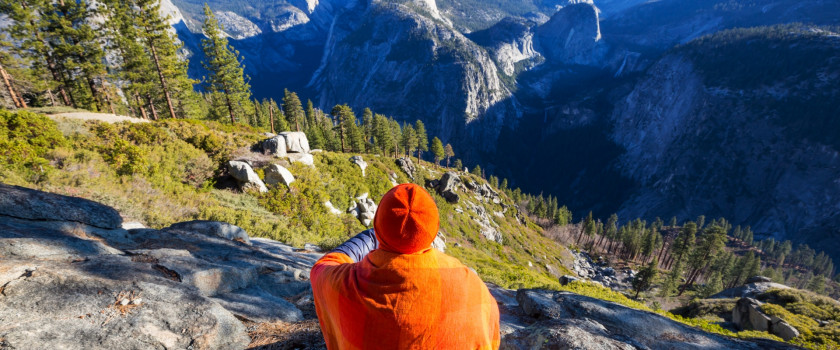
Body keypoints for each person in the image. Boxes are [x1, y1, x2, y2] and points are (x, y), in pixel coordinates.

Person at [310, 183, 500, 349]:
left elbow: (322, 267)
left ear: (378, 228)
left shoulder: (347, 284)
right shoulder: (473, 285)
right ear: (433, 231)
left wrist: (367, 239)